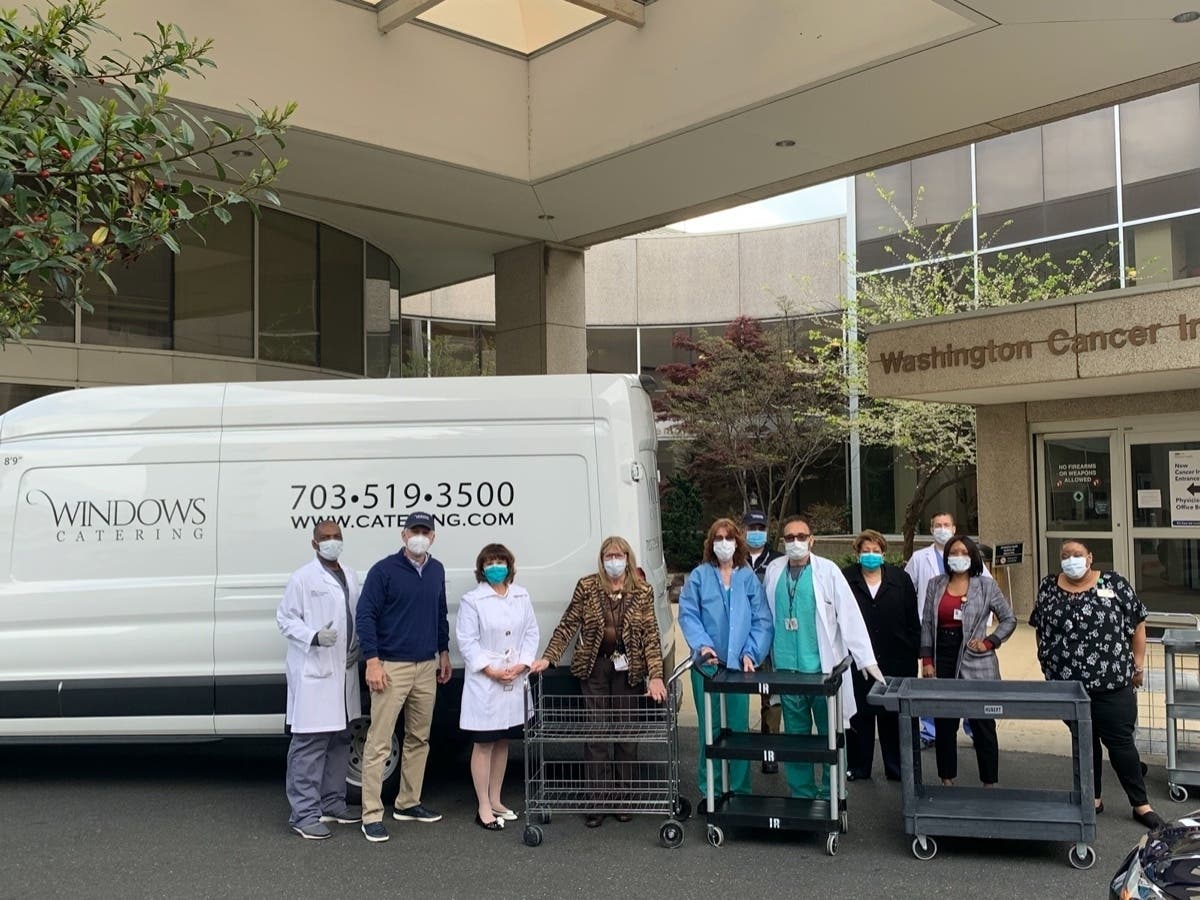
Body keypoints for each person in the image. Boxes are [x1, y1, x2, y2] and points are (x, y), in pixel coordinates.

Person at [531, 536, 666, 828]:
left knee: (626, 734)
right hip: (595, 668)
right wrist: (549, 657)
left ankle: (624, 800)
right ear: (602, 560)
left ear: (627, 559)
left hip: (628, 669)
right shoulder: (587, 586)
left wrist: (656, 676)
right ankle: (598, 801)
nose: (613, 561)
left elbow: (650, 635)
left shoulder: (642, 590)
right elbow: (568, 624)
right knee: (596, 735)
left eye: (619, 556)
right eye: (608, 556)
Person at [1029, 538, 1164, 830]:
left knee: (1121, 744)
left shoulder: (1113, 583)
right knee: (1085, 742)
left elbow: (1138, 623)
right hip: (1068, 686)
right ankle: (1092, 797)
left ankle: (1140, 804)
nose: (1071, 559)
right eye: (1065, 555)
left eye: (1077, 554)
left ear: (1090, 557)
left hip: (1112, 683)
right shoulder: (1049, 587)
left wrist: (1138, 664)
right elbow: (1040, 626)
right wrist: (1045, 660)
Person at [763, 515, 883, 799]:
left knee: (830, 735)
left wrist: (866, 658)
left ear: (812, 540)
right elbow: (766, 618)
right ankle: (802, 793)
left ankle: (832, 794)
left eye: (801, 536)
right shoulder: (774, 571)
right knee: (796, 737)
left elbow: (849, 615)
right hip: (787, 671)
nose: (795, 542)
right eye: (789, 537)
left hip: (822, 671)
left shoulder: (828, 571)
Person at [355, 511, 452, 843]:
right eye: (414, 531)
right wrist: (372, 661)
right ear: (403, 535)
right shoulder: (384, 571)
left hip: (426, 665)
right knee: (379, 741)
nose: (419, 537)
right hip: (391, 666)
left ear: (433, 537)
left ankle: (408, 802)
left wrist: (443, 651)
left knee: (418, 738)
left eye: (425, 531)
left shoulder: (437, 570)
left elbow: (440, 613)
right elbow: (365, 615)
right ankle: (371, 814)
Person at [276, 519, 363, 839]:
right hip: (315, 670)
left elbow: (354, 615)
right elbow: (285, 619)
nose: (332, 541)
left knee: (340, 739)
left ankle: (333, 803)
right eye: (325, 537)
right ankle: (303, 814)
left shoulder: (350, 575)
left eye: (336, 536)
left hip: (343, 670)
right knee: (309, 746)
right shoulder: (302, 578)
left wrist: (357, 644)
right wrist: (313, 636)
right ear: (314, 543)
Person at [678, 517, 773, 805]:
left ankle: (740, 790)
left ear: (737, 542)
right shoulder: (699, 577)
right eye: (718, 538)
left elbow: (762, 619)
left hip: (739, 669)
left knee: (738, 730)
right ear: (711, 543)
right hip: (707, 667)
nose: (723, 543)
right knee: (711, 729)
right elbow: (688, 614)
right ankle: (711, 790)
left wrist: (751, 652)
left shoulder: (747, 578)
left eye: (728, 538)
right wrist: (703, 645)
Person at [919, 535, 1015, 787]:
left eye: (964, 552)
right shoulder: (935, 584)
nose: (958, 557)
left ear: (972, 557)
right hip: (943, 656)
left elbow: (1009, 619)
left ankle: (989, 782)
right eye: (953, 552)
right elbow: (927, 623)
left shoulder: (986, 585)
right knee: (945, 721)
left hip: (976, 658)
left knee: (983, 723)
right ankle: (947, 779)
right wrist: (927, 659)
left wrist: (990, 641)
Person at [456, 543, 539, 831]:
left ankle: (496, 799)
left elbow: (531, 633)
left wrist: (522, 664)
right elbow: (466, 641)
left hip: (514, 676)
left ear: (509, 566)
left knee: (503, 741)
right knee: (484, 743)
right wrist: (490, 669)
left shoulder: (521, 596)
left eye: (500, 562)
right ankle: (483, 806)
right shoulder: (472, 600)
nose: (495, 567)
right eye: (489, 563)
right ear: (482, 568)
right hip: (486, 680)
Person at [842, 529, 920, 782]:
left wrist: (915, 651)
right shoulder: (846, 579)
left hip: (897, 658)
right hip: (858, 661)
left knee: (893, 716)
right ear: (857, 554)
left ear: (884, 554)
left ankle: (896, 768)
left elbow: (912, 619)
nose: (871, 555)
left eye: (876, 551)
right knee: (859, 715)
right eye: (866, 551)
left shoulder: (900, 579)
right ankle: (858, 766)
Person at [905, 512, 988, 747]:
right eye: (937, 525)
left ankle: (974, 728)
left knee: (970, 686)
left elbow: (988, 592)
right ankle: (931, 732)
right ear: (931, 529)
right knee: (935, 687)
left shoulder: (971, 556)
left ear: (954, 528)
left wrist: (984, 631)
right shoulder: (919, 559)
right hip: (934, 634)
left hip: (968, 636)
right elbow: (907, 590)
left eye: (946, 525)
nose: (942, 529)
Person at [744, 508, 784, 774]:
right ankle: (734, 753)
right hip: (739, 638)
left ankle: (770, 752)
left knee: (771, 696)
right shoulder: (735, 560)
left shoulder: (778, 560)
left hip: (768, 637)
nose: (756, 533)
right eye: (751, 529)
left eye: (760, 529)